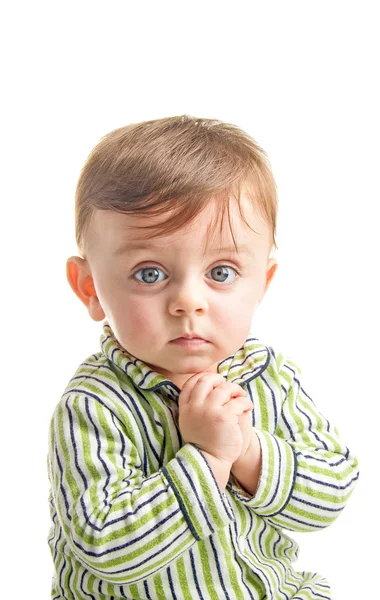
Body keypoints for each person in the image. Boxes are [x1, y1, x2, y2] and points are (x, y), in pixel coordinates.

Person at [47, 115, 360, 600]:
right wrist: (209, 458)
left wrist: (248, 450)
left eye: (221, 271)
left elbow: (331, 492)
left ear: (262, 284)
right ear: (90, 288)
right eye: (149, 274)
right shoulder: (95, 404)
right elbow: (104, 545)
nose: (189, 301)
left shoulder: (269, 377)